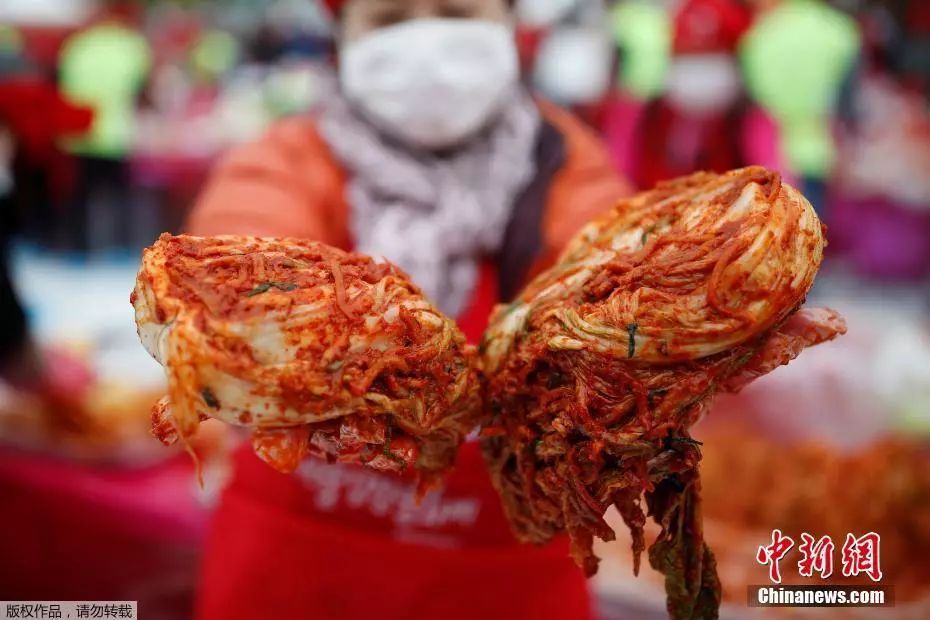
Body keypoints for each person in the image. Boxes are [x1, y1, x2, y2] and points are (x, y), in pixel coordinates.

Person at [187, 1, 630, 619]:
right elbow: (238, 286)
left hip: (505, 567)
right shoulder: (284, 162)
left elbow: (613, 298)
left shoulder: (567, 166)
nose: (425, 40)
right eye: (389, 19)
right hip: (302, 561)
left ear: (510, 26)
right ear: (342, 37)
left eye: (456, 12)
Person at [740, 0, 861, 214]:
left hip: (773, 147)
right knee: (815, 227)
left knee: (778, 226)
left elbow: (754, 95)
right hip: (823, 145)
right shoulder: (841, 30)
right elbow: (849, 99)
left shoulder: (760, 32)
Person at [58, 0, 151, 252]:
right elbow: (143, 90)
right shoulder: (131, 45)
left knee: (80, 197)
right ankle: (118, 247)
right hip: (114, 133)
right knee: (117, 196)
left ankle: (80, 248)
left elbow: (63, 84)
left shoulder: (78, 44)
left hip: (77, 131)